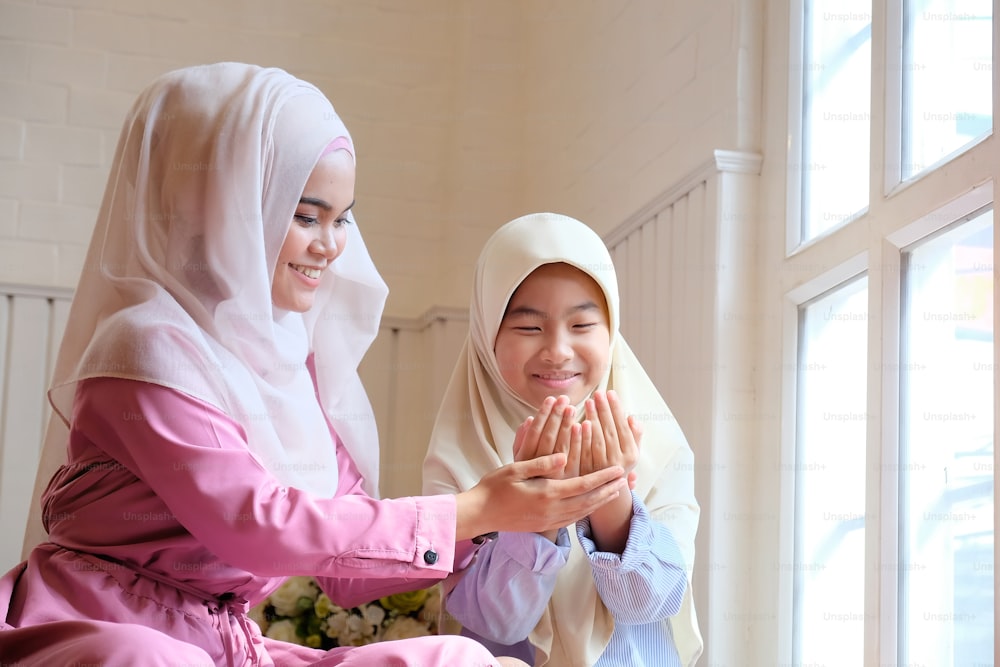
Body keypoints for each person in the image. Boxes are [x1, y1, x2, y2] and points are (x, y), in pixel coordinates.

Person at [0, 64, 631, 667]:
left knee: (456, 657)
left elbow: (342, 571)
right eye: (305, 215)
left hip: (225, 645)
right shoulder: (143, 345)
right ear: (216, 203)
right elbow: (258, 525)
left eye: (342, 218)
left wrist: (526, 507)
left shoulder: (291, 365)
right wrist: (477, 509)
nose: (330, 245)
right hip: (107, 631)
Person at [422, 212, 704, 666]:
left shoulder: (658, 449)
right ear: (486, 336)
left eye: (582, 325)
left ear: (610, 331)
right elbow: (496, 624)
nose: (557, 350)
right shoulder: (459, 458)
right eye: (528, 327)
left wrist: (610, 496)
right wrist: (537, 512)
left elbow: (649, 605)